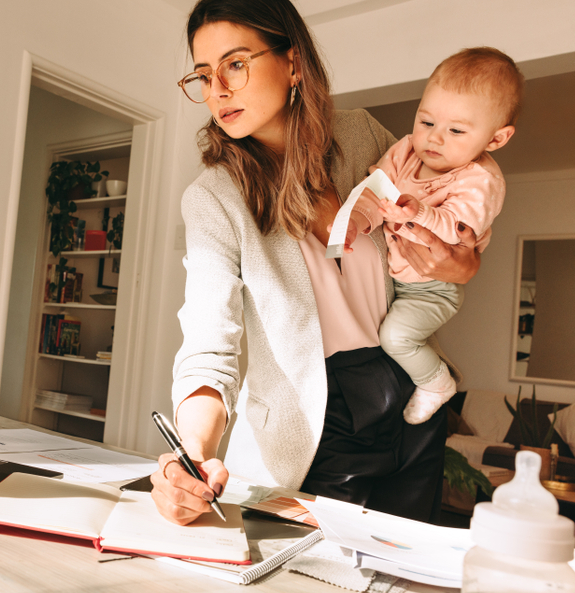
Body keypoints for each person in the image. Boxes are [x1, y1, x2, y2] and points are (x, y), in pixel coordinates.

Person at [151, 0, 480, 526]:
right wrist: (191, 449)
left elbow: (445, 222)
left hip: (411, 388)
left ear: (294, 63)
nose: (218, 91)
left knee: (403, 568)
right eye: (203, 75)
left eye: (235, 64)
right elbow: (210, 343)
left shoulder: (363, 136)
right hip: (316, 419)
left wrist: (462, 263)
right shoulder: (214, 197)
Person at [339, 48, 522, 425]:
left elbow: (458, 229)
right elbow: (376, 191)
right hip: (396, 278)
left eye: (455, 130)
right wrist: (356, 219)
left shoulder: (480, 180)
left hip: (433, 288)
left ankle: (437, 382)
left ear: (496, 139)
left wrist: (419, 212)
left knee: (396, 338)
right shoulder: (405, 151)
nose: (434, 139)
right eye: (426, 121)